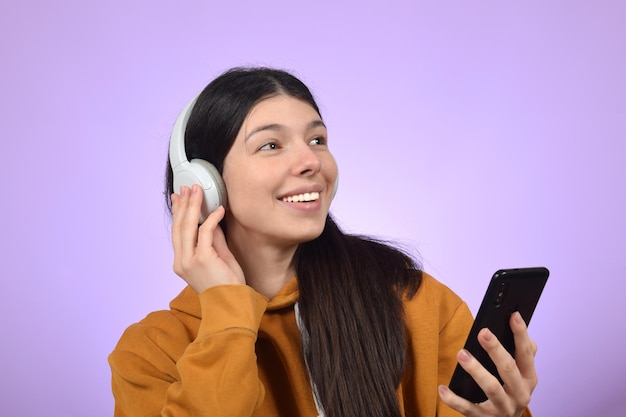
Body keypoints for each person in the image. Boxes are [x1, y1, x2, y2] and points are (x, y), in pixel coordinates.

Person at [108, 67, 538, 417]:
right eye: (271, 145)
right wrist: (226, 311)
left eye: (317, 140)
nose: (311, 161)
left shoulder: (414, 301)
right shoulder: (152, 352)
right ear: (203, 184)